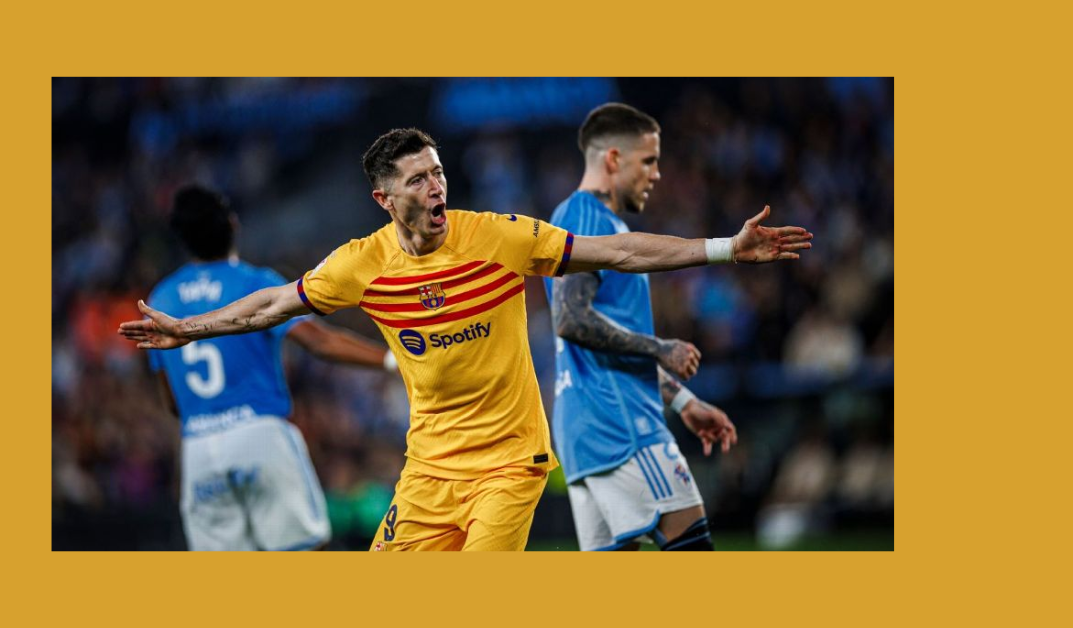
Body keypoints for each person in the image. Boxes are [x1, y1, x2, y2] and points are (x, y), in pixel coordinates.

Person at [120, 128, 812, 552]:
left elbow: (620, 251)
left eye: (438, 172)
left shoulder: (499, 236)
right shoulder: (361, 263)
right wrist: (187, 331)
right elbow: (273, 305)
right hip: (428, 472)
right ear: (385, 200)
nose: (436, 186)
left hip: (509, 464)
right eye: (417, 179)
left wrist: (723, 247)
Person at [544, 103, 749, 551]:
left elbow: (605, 341)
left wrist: (684, 401)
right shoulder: (586, 218)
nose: (656, 174)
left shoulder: (590, 221)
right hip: (619, 423)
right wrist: (660, 347)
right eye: (649, 161)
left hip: (587, 427)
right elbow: (571, 318)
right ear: (614, 158)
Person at [146, 185, 396, 551]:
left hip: (199, 450)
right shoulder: (254, 283)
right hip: (259, 435)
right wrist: (391, 359)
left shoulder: (161, 299)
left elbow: (171, 401)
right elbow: (319, 342)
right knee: (304, 552)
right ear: (233, 225)